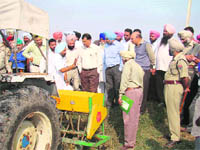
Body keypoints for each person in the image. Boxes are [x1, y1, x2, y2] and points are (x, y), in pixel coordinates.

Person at [164, 38, 189, 148]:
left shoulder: (180, 60)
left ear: (173, 49)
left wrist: (186, 87)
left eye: (170, 49)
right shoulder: (175, 59)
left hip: (174, 87)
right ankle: (172, 133)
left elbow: (184, 76)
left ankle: (175, 137)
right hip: (169, 86)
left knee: (173, 112)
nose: (169, 50)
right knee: (170, 112)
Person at [118, 50, 144, 150]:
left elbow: (124, 80)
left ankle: (128, 144)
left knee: (127, 118)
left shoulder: (128, 65)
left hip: (130, 92)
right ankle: (132, 141)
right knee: (135, 118)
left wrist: (121, 94)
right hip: (138, 91)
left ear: (124, 58)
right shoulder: (138, 65)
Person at [178, 30, 200, 127]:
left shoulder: (196, 46)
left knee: (187, 97)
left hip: (190, 73)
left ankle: (185, 121)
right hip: (182, 71)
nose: (182, 41)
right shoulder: (183, 46)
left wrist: (191, 58)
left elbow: (194, 59)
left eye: (183, 39)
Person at [131, 31, 155, 113]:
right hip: (137, 70)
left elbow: (152, 56)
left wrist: (152, 67)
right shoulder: (135, 46)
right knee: (137, 89)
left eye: (132, 38)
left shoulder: (146, 45)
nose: (131, 40)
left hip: (145, 70)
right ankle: (137, 106)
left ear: (138, 38)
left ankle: (142, 109)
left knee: (144, 89)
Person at [155, 24, 175, 104]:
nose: (164, 32)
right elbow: (156, 54)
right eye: (163, 31)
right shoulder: (161, 42)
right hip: (159, 67)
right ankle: (161, 101)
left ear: (171, 33)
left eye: (166, 31)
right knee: (159, 86)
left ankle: (167, 102)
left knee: (167, 87)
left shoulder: (173, 42)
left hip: (168, 68)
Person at [104, 31, 124, 108]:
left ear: (111, 39)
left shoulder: (119, 46)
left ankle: (118, 103)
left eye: (107, 39)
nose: (106, 40)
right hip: (108, 68)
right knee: (109, 87)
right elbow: (104, 57)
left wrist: (120, 69)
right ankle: (109, 103)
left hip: (116, 68)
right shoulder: (106, 46)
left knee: (117, 86)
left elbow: (122, 58)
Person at [148, 30, 160, 101]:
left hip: (154, 67)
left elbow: (155, 57)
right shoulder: (149, 44)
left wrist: (154, 68)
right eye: (150, 36)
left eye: (152, 36)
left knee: (154, 83)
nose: (151, 37)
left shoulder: (158, 45)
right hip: (148, 66)